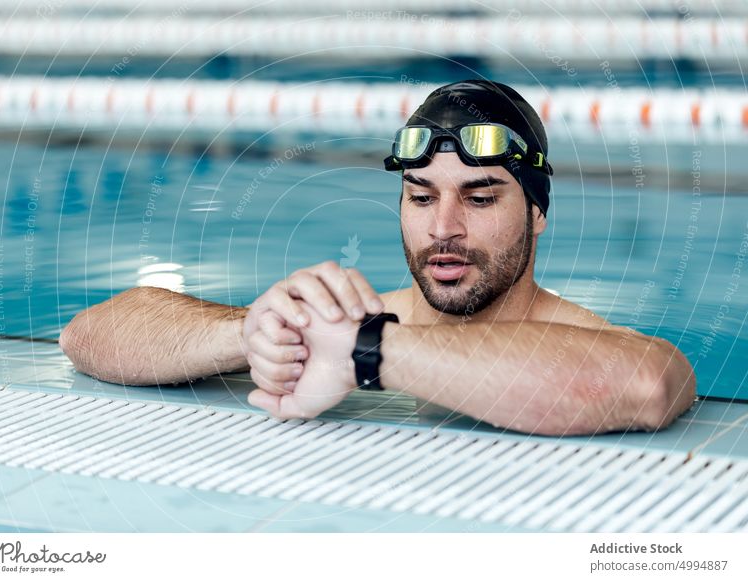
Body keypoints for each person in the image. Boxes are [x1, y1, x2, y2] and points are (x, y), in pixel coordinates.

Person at [59, 79, 696, 436]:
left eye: (479, 197)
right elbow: (85, 335)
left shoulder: (586, 341)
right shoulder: (342, 327)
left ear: (536, 211)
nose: (443, 229)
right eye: (421, 197)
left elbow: (648, 385)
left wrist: (367, 354)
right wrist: (249, 334)